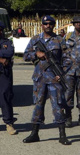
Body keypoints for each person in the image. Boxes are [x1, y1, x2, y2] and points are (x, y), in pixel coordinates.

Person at [23, 16, 71, 145]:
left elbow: (67, 59)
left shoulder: (60, 40)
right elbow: (25, 55)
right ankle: (34, 134)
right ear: (42, 25)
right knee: (38, 105)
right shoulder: (35, 40)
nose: (48, 25)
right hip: (39, 78)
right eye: (45, 23)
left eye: (50, 23)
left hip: (55, 78)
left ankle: (62, 135)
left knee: (58, 105)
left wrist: (62, 74)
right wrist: (36, 54)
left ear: (53, 25)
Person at [64, 17, 80, 127]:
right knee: (68, 94)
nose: (79, 24)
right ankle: (68, 117)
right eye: (77, 22)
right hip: (69, 71)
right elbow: (62, 51)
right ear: (73, 24)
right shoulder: (68, 36)